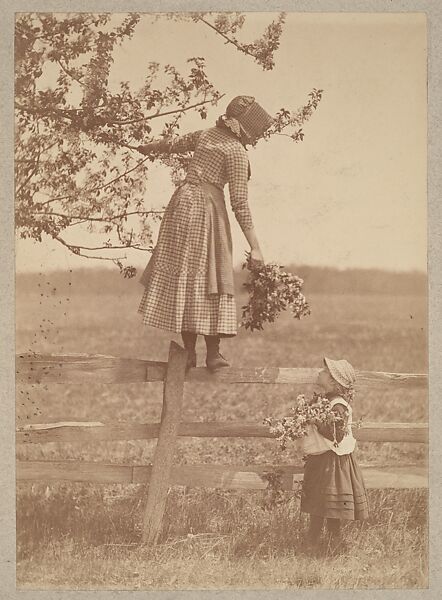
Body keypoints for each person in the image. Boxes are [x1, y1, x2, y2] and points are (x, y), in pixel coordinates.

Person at [136, 95, 274, 371]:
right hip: (207, 211)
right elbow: (240, 203)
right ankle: (213, 353)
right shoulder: (236, 152)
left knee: (189, 277)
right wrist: (256, 247)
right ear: (244, 129)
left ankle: (189, 352)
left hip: (181, 205)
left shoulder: (206, 135)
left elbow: (173, 144)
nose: (255, 140)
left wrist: (148, 147)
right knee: (214, 274)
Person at [300, 357, 369, 555]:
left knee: (328, 503)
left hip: (333, 461)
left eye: (323, 371)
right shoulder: (325, 400)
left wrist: (314, 420)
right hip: (323, 459)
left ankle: (321, 541)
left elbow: (335, 434)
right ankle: (323, 541)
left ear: (333, 381)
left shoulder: (339, 405)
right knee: (321, 501)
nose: (319, 373)